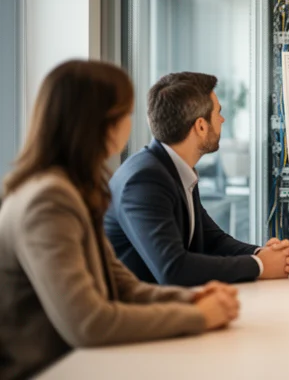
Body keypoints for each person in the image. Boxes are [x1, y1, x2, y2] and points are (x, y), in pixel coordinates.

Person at [0, 60, 239, 380]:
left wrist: (193, 298)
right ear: (100, 124)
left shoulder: (71, 190)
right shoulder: (48, 201)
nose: (132, 124)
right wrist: (196, 316)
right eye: (125, 113)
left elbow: (121, 285)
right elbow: (89, 323)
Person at [105, 72, 289, 286]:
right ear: (200, 126)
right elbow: (173, 269)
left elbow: (211, 240)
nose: (222, 119)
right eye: (218, 113)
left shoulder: (174, 168)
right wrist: (259, 266)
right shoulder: (144, 181)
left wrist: (262, 253)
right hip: (137, 312)